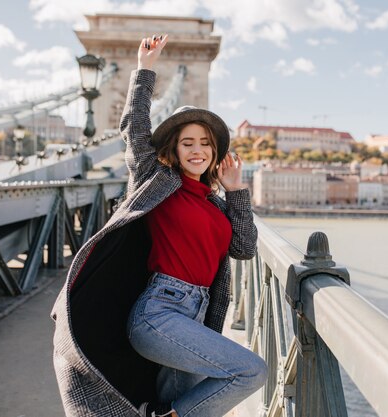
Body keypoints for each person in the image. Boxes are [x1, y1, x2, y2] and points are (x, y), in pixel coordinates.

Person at [51, 34, 267, 417]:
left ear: (215, 152)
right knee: (250, 371)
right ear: (173, 149)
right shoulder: (157, 182)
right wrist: (144, 71)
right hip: (160, 312)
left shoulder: (217, 205)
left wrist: (237, 193)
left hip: (197, 315)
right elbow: (134, 132)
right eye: (187, 143)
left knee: (173, 403)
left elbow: (244, 248)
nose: (197, 149)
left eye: (205, 143)